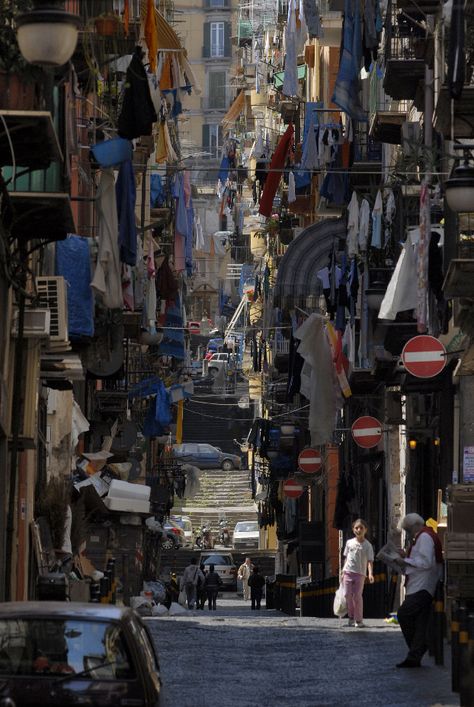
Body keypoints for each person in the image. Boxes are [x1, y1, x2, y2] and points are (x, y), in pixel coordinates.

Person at [393, 513, 443, 668]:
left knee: (404, 614)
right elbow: (421, 558)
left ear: (415, 526)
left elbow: (426, 562)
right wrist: (406, 555)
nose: (408, 533)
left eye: (408, 530)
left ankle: (419, 647)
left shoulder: (425, 537)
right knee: (420, 622)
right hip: (419, 584)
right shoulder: (423, 537)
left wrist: (405, 560)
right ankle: (414, 655)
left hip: (422, 586)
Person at [342, 518, 374, 628]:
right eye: (356, 528)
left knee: (357, 596)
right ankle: (351, 616)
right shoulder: (349, 543)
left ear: (365, 530)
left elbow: (370, 561)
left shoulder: (368, 545)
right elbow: (346, 558)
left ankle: (358, 619)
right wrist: (342, 571)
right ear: (353, 530)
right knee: (347, 595)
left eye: (361, 528)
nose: (358, 530)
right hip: (348, 572)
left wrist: (370, 574)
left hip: (360, 574)